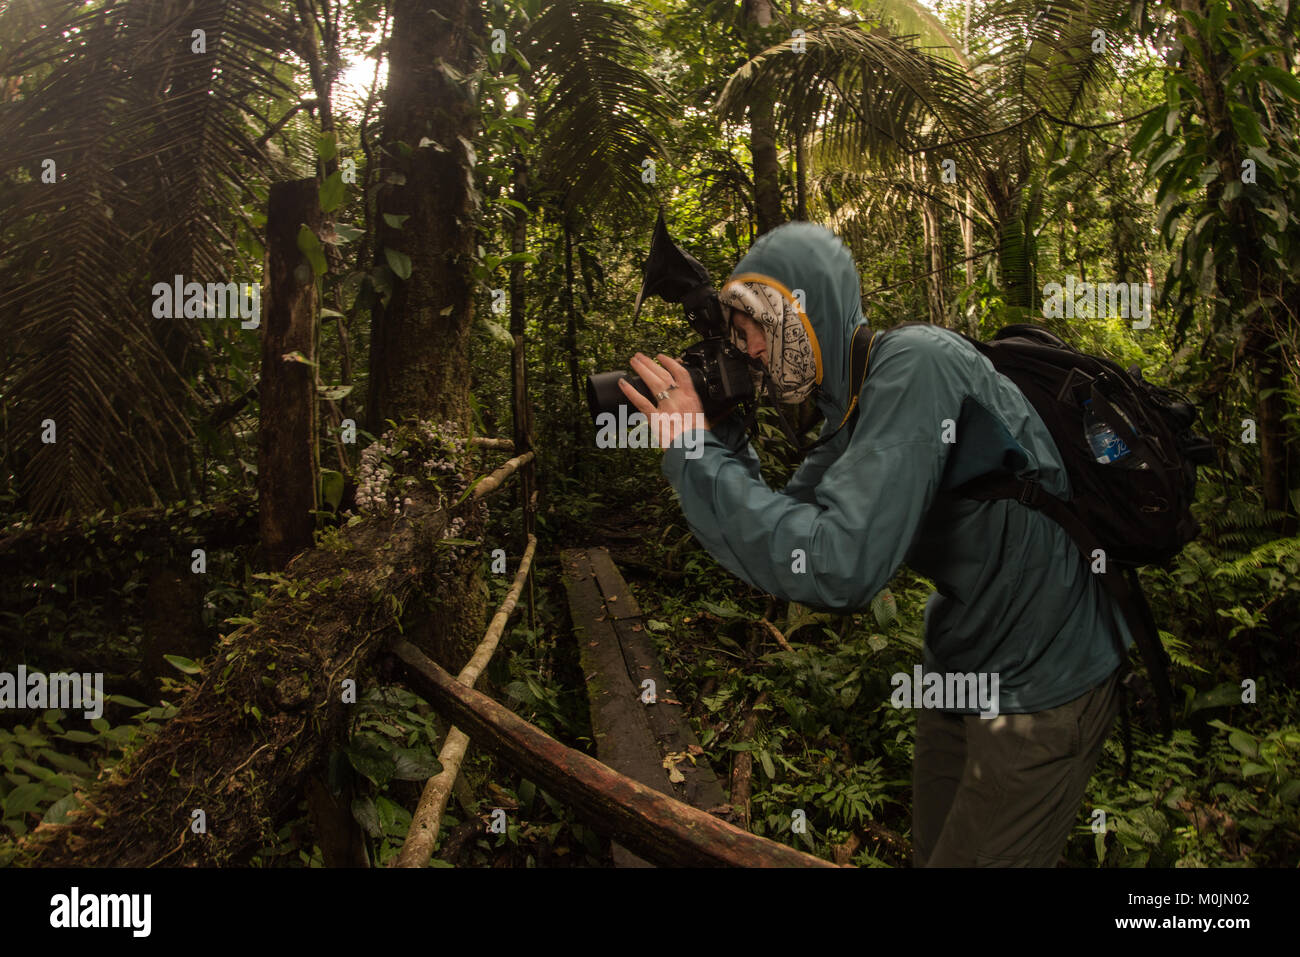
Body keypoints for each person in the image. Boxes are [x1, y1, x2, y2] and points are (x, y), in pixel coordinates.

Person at [618, 221, 1126, 867]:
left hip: (1044, 671)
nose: (745, 355)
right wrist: (714, 438)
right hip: (963, 656)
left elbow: (841, 565)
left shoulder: (916, 365)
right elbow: (783, 534)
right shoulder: (847, 418)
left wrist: (693, 451)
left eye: (749, 335)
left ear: (798, 313)